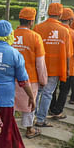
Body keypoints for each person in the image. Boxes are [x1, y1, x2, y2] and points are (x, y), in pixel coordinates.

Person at [12, 8, 47, 137]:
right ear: (31, 21)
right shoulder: (36, 37)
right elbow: (40, 63)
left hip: (11, 77)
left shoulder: (11, 34)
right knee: (30, 104)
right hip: (29, 78)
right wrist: (43, 80)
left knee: (11, 104)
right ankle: (29, 129)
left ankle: (9, 127)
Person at [33, 3, 69, 125]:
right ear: (60, 14)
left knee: (37, 92)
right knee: (48, 93)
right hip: (56, 67)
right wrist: (68, 69)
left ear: (48, 12)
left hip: (39, 66)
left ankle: (32, 117)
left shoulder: (38, 28)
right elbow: (68, 54)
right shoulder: (65, 31)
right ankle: (41, 119)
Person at [49, 8, 74, 115]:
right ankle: (58, 110)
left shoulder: (53, 30)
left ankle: (51, 107)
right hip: (68, 67)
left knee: (52, 88)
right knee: (64, 89)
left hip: (52, 65)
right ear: (71, 20)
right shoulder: (73, 34)